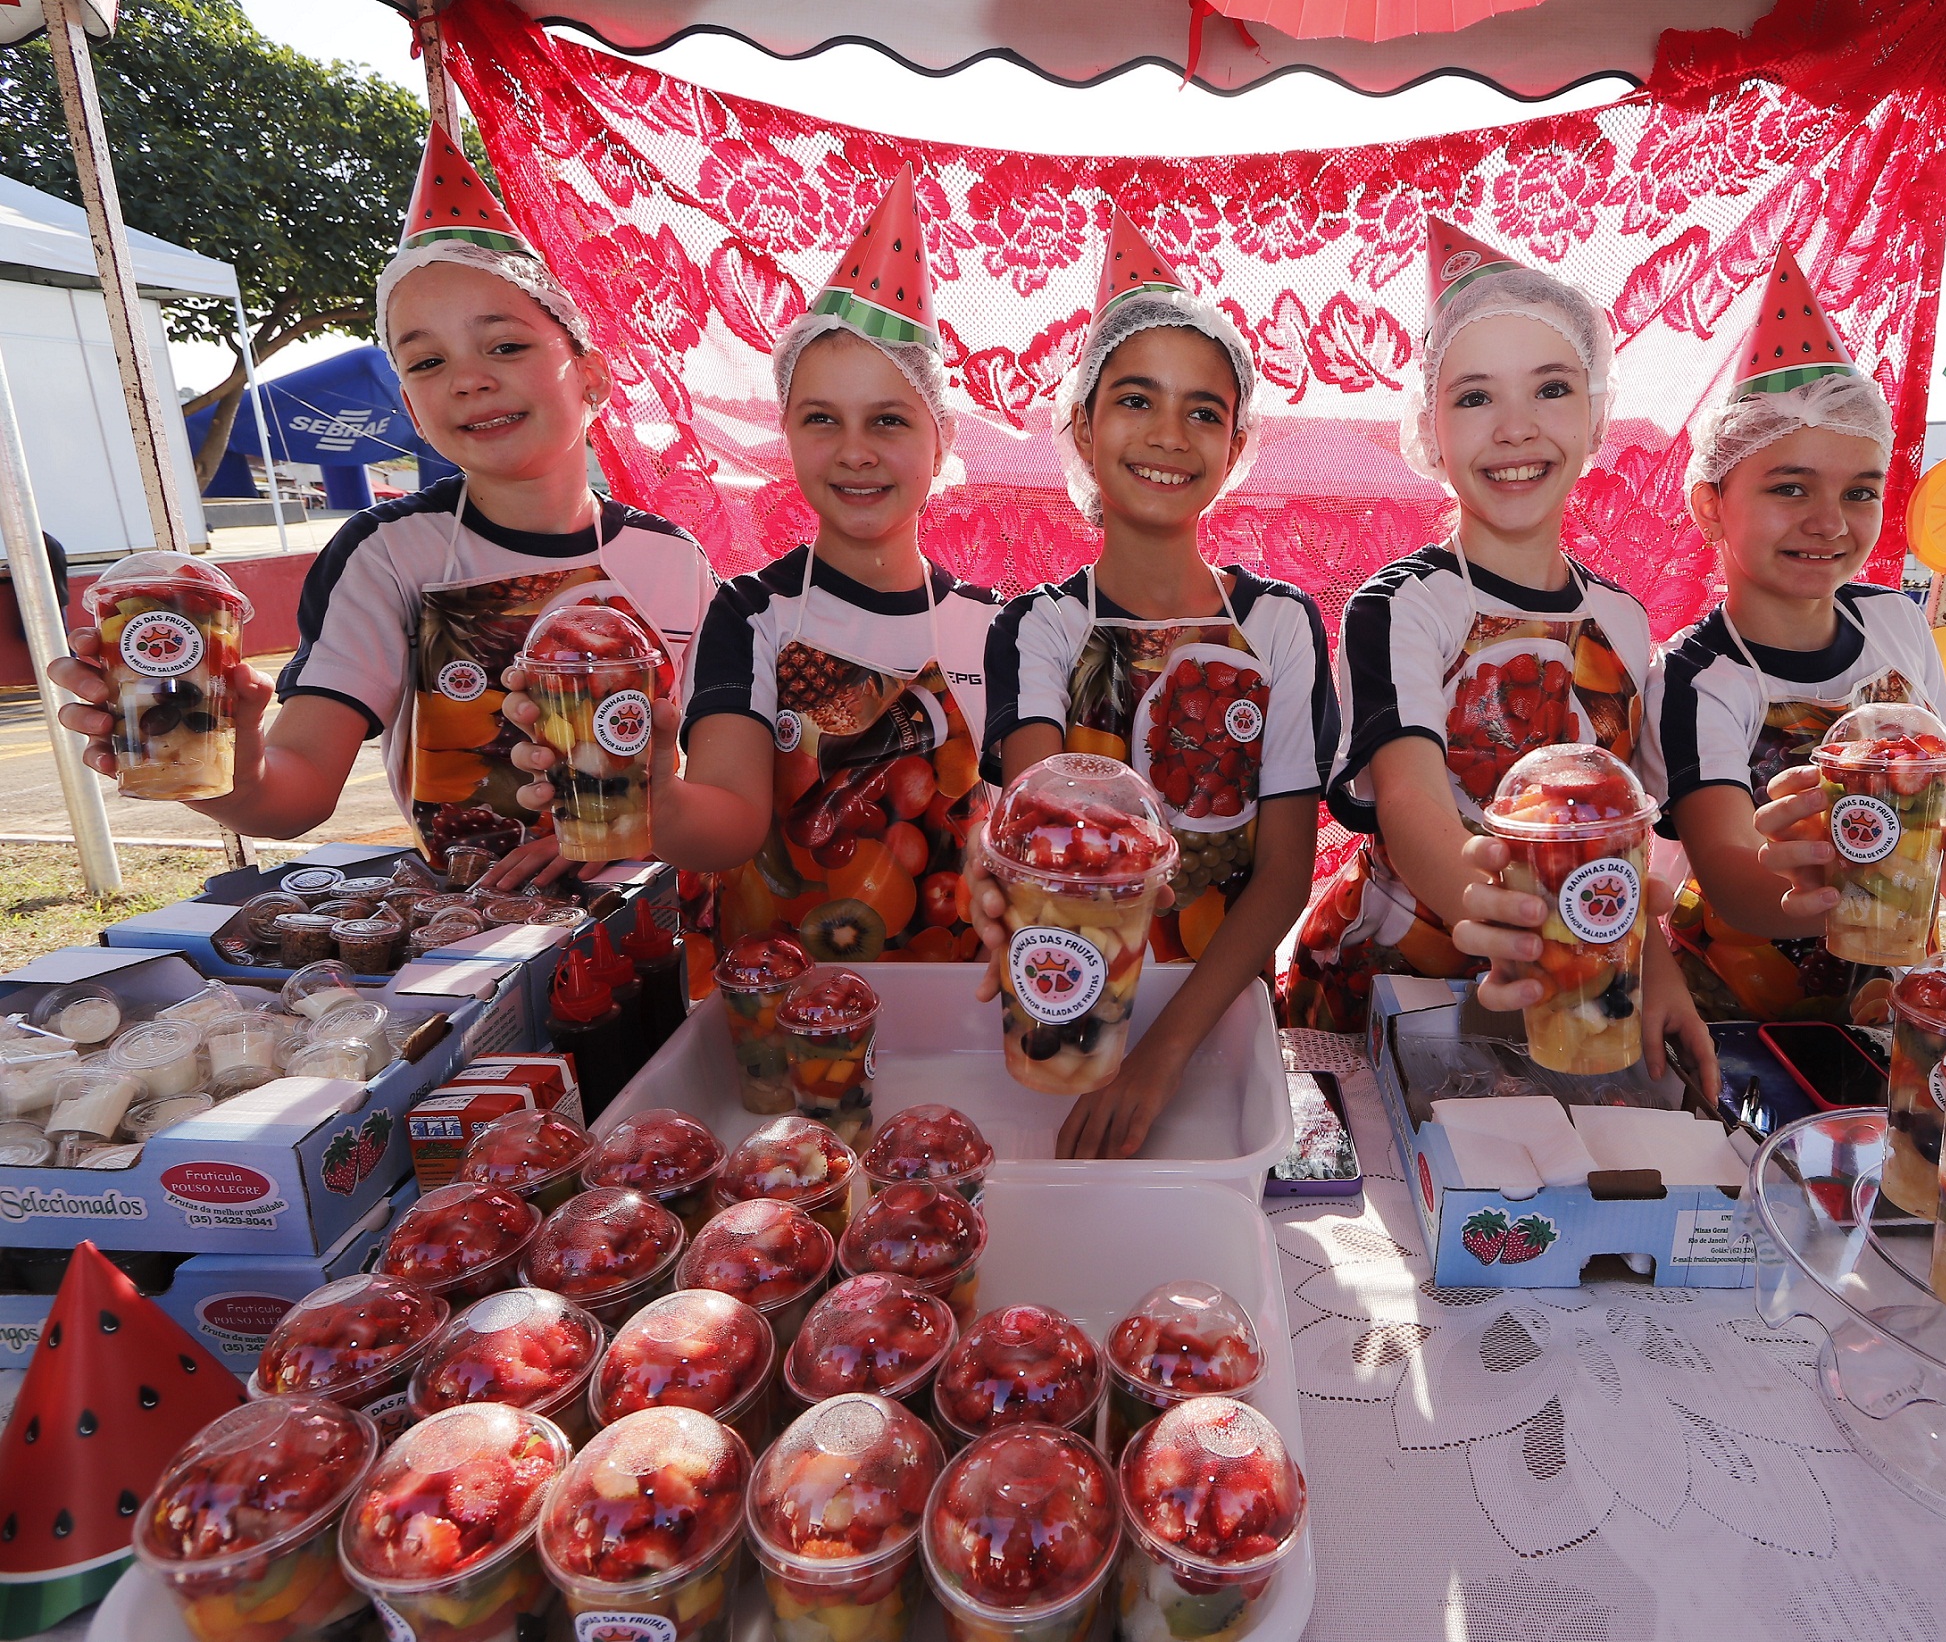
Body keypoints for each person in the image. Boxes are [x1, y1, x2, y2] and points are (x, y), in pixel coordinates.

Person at [46, 125, 713, 889]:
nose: (468, 379)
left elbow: (726, 778)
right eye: (427, 361)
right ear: (411, 409)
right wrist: (212, 746)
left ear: (590, 378)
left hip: (659, 903)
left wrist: (626, 820)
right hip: (475, 917)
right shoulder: (386, 553)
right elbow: (294, 795)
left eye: (505, 346)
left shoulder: (675, 560)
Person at [510, 171, 997, 993]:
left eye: (888, 419)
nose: (855, 451)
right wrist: (655, 796)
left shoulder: (994, 627)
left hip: (954, 1006)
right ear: (788, 434)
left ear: (940, 439)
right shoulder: (750, 614)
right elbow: (732, 823)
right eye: (821, 419)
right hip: (768, 1013)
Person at [1278, 218, 1715, 1094]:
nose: (1515, 429)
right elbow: (1411, 802)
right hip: (1390, 979)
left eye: (1550, 389)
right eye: (1475, 397)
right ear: (1431, 430)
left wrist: (1651, 962)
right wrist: (1518, 928)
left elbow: (1612, 830)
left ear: (1595, 415)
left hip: (1568, 981)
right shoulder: (1403, 606)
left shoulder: (1623, 622)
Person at [975, 211, 1336, 1158]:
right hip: (1062, 1003)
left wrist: (1164, 1054)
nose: (1170, 435)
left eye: (1203, 412)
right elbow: (1039, 836)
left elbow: (1285, 873)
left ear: (1235, 445)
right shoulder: (1039, 628)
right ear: (1084, 427)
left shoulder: (1280, 625)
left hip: (1218, 1021)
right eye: (1137, 400)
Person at [1629, 248, 1946, 1025]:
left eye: (1860, 492)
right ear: (1710, 505)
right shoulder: (1696, 676)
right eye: (1790, 487)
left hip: (1900, 1003)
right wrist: (1832, 873)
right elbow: (1731, 873)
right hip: (1745, 1017)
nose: (1829, 522)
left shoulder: (1896, 623)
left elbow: (1941, 808)